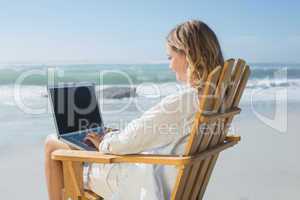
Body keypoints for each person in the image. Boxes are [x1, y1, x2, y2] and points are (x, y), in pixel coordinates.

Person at [44, 19, 224, 200]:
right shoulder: (214, 99)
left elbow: (123, 143)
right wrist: (113, 135)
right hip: (173, 178)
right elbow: (150, 133)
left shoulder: (184, 100)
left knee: (52, 143)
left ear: (188, 55)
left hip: (143, 181)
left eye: (170, 57)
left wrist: (105, 141)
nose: (170, 65)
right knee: (78, 143)